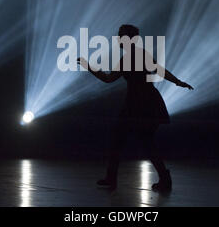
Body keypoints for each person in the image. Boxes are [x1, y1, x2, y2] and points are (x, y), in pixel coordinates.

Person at [77, 24, 193, 191]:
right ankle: (163, 178)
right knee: (143, 142)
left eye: (121, 35)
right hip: (143, 103)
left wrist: (89, 66)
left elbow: (110, 78)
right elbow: (159, 71)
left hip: (140, 104)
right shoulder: (134, 56)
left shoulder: (135, 56)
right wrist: (178, 82)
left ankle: (115, 178)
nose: (118, 38)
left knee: (128, 140)